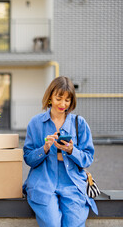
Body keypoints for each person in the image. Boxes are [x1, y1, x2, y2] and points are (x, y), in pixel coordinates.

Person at [23, 76, 98, 227]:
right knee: (52, 223)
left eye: (67, 100)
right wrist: (44, 149)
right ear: (50, 96)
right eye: (59, 98)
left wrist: (71, 150)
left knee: (74, 224)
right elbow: (28, 158)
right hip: (43, 181)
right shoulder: (36, 123)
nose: (63, 104)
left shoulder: (80, 123)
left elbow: (88, 158)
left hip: (72, 182)